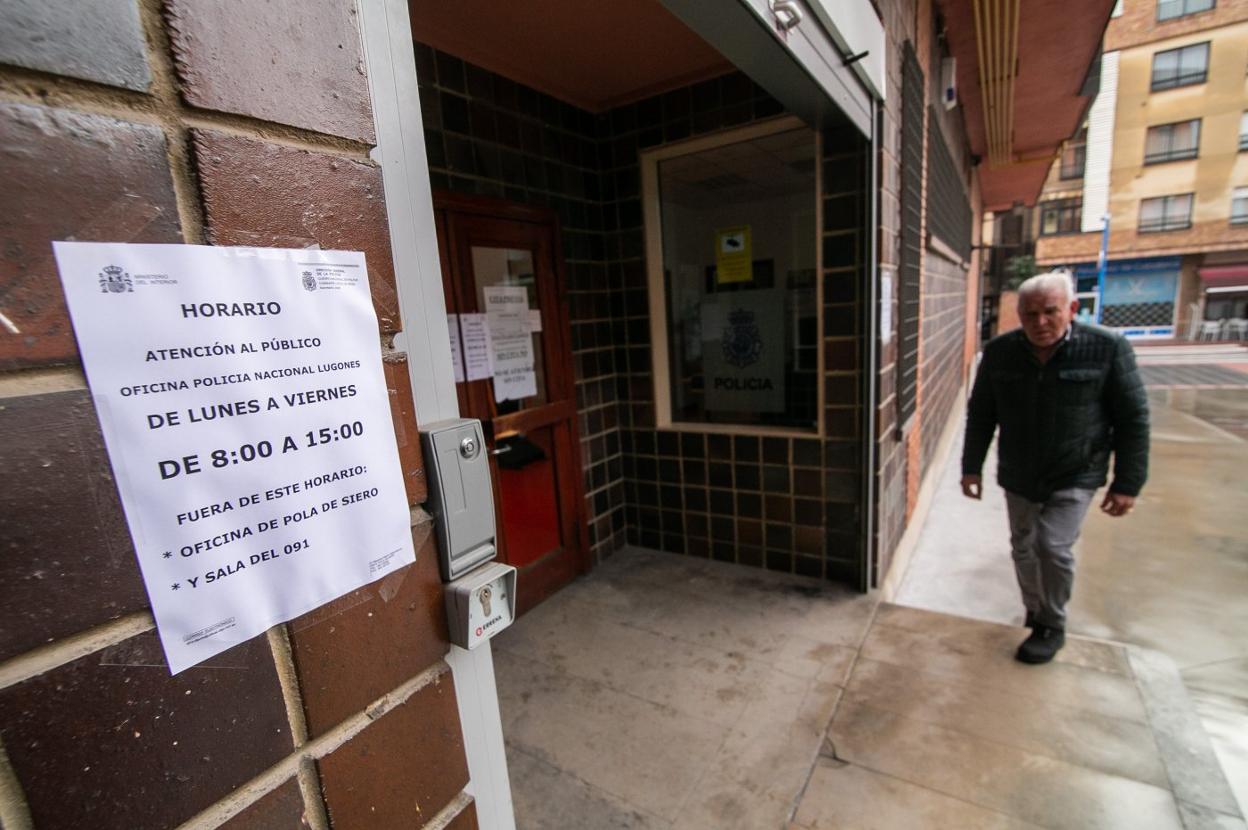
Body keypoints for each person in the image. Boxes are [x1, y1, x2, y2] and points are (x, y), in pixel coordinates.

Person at [961, 271, 1149, 664]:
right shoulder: (1000, 353)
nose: (1040, 322)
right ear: (1019, 315)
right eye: (1030, 314)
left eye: (1050, 311)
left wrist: (1127, 483)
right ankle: (1035, 609)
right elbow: (981, 414)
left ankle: (1051, 623)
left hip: (1077, 470)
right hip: (1019, 471)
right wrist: (971, 467)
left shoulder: (1107, 348)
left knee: (1051, 545)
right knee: (1023, 546)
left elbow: (1132, 419)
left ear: (1072, 309)